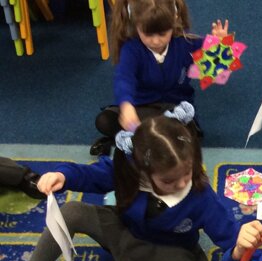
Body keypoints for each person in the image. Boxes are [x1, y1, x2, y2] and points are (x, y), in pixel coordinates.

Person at [2, 103, 239, 261]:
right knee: (72, 211)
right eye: (169, 180)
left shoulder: (201, 196)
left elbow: (234, 241)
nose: (182, 183)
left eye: (188, 172)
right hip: (125, 232)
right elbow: (92, 175)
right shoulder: (129, 166)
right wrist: (62, 175)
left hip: (170, 253)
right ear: (143, 170)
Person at [89, 0, 229, 156]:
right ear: (137, 25)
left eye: (162, 34)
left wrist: (219, 46)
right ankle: (151, 138)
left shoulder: (185, 43)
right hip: (142, 107)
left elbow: (215, 72)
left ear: (174, 21)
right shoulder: (131, 49)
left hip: (174, 109)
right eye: (148, 34)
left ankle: (138, 139)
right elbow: (124, 79)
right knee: (104, 120)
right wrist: (126, 105)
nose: (156, 41)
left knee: (185, 130)